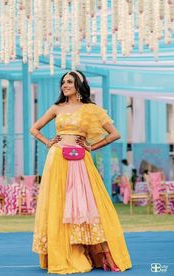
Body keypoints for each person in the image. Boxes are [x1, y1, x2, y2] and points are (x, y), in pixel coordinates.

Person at [30, 70, 132, 274]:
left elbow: (115, 134)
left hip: (80, 161)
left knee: (85, 203)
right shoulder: (57, 108)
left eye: (69, 82)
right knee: (59, 204)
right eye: (63, 82)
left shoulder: (91, 109)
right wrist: (49, 142)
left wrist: (92, 147)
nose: (65, 85)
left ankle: (98, 252)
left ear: (79, 85)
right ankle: (62, 253)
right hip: (57, 159)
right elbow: (34, 129)